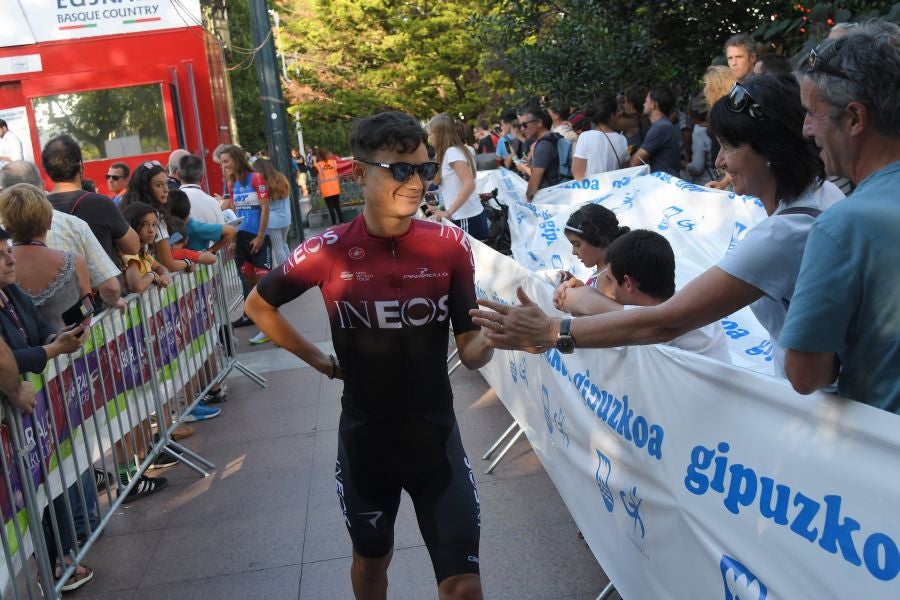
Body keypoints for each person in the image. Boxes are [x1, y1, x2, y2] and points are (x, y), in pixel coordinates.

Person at [245, 111, 493, 600]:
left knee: (464, 586)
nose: (416, 182)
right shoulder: (327, 249)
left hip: (435, 439)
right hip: (367, 445)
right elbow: (258, 304)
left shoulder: (448, 246)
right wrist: (320, 361)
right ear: (359, 173)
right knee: (372, 564)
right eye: (400, 170)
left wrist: (500, 336)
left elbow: (470, 352)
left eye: (424, 169)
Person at [471, 74, 844, 379]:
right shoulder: (823, 194)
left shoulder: (781, 235)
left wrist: (552, 331)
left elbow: (667, 322)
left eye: (729, 147)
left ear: (771, 153)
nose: (719, 161)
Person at [781, 23, 900, 412]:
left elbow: (805, 374)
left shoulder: (844, 225)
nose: (805, 129)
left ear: (854, 118)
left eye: (812, 113)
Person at [558, 230, 730, 361]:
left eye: (610, 280)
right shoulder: (690, 306)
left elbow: (589, 303)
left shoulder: (669, 325)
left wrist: (578, 297)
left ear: (628, 283)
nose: (609, 289)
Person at [0, 161, 124, 311]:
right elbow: (108, 290)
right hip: (74, 332)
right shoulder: (74, 253)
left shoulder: (6, 264)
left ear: (7, 227)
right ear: (49, 223)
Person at [0, 184, 91, 331]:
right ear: (49, 222)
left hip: (25, 352)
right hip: (73, 348)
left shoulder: (4, 267)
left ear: (7, 226)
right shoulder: (75, 262)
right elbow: (86, 313)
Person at [42, 135, 139, 266]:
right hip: (102, 284)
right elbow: (133, 246)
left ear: (48, 171)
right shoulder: (101, 204)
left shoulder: (39, 207)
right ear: (80, 165)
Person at [219, 145, 272, 329]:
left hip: (258, 237)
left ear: (236, 159)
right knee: (248, 281)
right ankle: (258, 319)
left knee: (263, 282)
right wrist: (232, 240)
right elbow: (234, 211)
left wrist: (260, 236)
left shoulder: (256, 178)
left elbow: (265, 207)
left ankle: (272, 322)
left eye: (226, 161)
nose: (223, 166)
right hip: (241, 237)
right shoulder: (231, 183)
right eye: (221, 162)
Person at [120, 161, 193, 275]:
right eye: (159, 185)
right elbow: (168, 264)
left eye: (166, 184)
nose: (166, 189)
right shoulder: (155, 216)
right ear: (145, 189)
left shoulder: (125, 210)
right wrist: (188, 262)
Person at [427, 114, 490, 240]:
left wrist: (449, 212)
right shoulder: (458, 151)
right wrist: (439, 207)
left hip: (465, 218)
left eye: (430, 134)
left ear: (439, 135)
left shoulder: (452, 153)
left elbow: (469, 184)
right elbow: (450, 186)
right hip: (465, 216)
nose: (428, 138)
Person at [553, 204, 629, 297]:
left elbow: (606, 310)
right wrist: (579, 288)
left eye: (577, 245)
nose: (573, 252)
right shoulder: (603, 274)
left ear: (598, 240)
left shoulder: (607, 278)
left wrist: (575, 298)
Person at [571, 95, 629, 179]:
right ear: (612, 115)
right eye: (617, 112)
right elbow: (625, 170)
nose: (618, 116)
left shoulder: (585, 137)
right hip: (614, 189)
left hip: (592, 190)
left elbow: (577, 172)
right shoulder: (622, 139)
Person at [120, 202, 173, 294]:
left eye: (154, 224)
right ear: (132, 225)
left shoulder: (143, 252)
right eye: (145, 225)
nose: (151, 230)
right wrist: (152, 274)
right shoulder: (130, 255)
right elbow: (137, 286)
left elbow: (160, 267)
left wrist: (165, 275)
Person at [629, 87, 682, 176]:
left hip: (664, 184)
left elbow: (634, 162)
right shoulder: (663, 125)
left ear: (653, 104)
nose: (643, 104)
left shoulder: (660, 128)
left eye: (646, 101)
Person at [252, 158, 292, 266]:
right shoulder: (282, 177)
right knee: (284, 244)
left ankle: (286, 273)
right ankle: (293, 268)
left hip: (273, 221)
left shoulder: (263, 184)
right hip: (286, 218)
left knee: (278, 248)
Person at [517, 107, 560, 201]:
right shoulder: (555, 137)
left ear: (539, 122)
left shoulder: (543, 145)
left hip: (549, 199)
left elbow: (534, 183)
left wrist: (527, 198)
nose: (522, 129)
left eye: (524, 125)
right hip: (559, 194)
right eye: (520, 126)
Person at [177, 154, 225, 226]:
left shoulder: (170, 201)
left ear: (178, 175)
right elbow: (223, 230)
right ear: (202, 178)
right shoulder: (213, 203)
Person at [314, 146, 344, 226]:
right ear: (327, 154)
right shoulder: (333, 163)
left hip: (326, 190)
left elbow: (319, 179)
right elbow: (337, 176)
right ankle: (342, 223)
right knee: (337, 207)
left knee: (331, 208)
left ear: (319, 156)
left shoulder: (318, 166)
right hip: (335, 188)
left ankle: (334, 225)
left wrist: (319, 190)